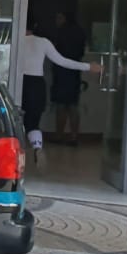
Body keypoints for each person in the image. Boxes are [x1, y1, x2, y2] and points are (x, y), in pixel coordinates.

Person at [19, 20, 99, 159]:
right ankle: (37, 147)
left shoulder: (14, 41)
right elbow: (62, 61)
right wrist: (88, 67)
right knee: (33, 123)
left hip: (17, 81)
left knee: (14, 119)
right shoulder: (43, 42)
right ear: (35, 26)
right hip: (36, 84)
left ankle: (15, 152)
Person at [48, 10, 87, 145]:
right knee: (73, 105)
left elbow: (56, 53)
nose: (56, 21)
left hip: (62, 72)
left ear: (65, 18)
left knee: (61, 106)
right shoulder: (79, 32)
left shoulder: (61, 33)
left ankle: (59, 135)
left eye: (59, 17)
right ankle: (74, 136)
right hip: (74, 72)